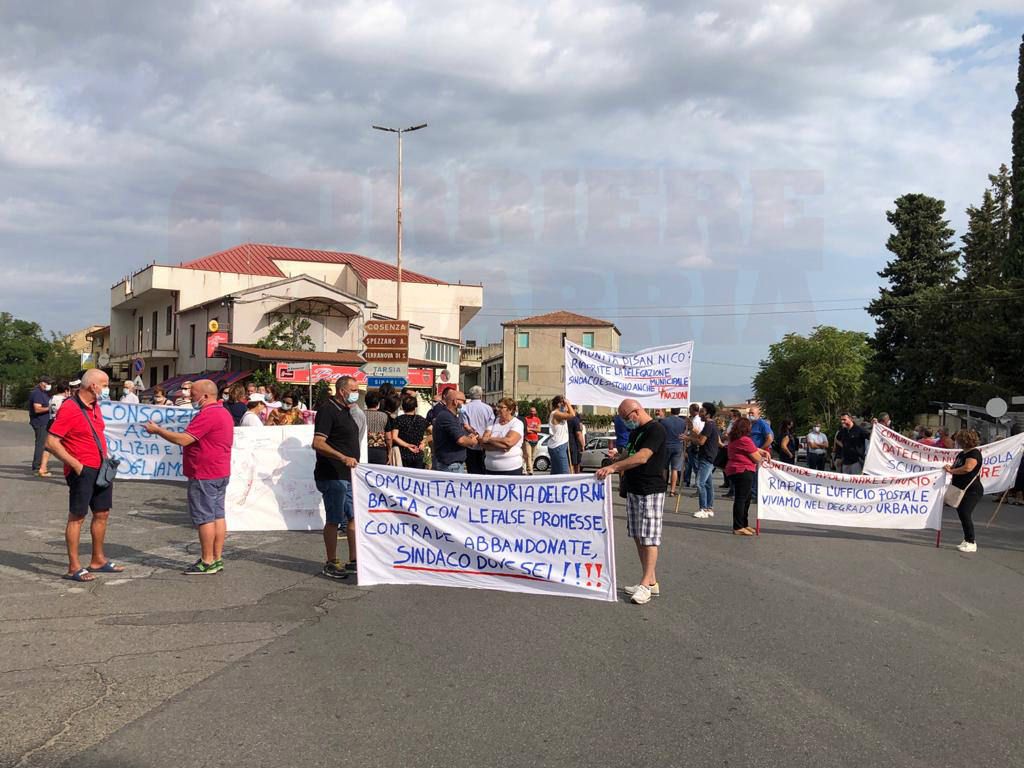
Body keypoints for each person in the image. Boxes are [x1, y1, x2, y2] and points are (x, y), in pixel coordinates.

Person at [144, 379, 233, 574]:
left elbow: (184, 439)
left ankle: (207, 560)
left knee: (205, 518)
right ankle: (217, 558)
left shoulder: (208, 414)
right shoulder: (223, 412)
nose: (190, 398)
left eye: (193, 395)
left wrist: (158, 430)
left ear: (206, 396)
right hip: (219, 471)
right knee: (218, 515)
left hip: (204, 473)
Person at [44, 369, 124, 581]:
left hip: (100, 468)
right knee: (77, 517)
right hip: (82, 470)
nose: (107, 388)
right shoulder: (70, 408)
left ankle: (98, 559)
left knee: (102, 513)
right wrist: (76, 465)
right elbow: (51, 442)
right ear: (93, 386)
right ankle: (74, 566)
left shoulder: (95, 406)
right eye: (105, 384)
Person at [595, 398, 668, 606]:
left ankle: (645, 584)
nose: (626, 422)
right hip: (634, 489)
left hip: (650, 490)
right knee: (637, 534)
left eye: (626, 418)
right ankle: (650, 581)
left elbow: (643, 457)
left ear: (636, 412)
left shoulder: (656, 430)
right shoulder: (636, 432)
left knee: (649, 537)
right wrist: (616, 458)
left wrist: (614, 468)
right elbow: (630, 454)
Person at [312, 376, 366, 578]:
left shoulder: (348, 412)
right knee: (334, 519)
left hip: (349, 474)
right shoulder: (328, 410)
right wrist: (343, 457)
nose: (356, 392)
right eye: (353, 389)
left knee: (353, 516)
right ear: (342, 391)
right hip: (332, 474)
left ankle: (354, 559)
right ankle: (331, 561)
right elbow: (318, 442)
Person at [724, 416, 771, 535]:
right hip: (743, 470)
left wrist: (761, 451)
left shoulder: (734, 438)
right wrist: (764, 457)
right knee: (741, 498)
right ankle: (738, 526)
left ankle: (743, 524)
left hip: (736, 470)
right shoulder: (745, 440)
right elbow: (757, 458)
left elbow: (754, 449)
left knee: (746, 497)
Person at [943, 429, 984, 553]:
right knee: (962, 513)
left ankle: (971, 541)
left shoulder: (974, 453)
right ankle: (967, 540)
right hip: (961, 488)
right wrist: (949, 468)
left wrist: (952, 471)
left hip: (972, 490)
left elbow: (967, 468)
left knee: (965, 512)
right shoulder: (962, 454)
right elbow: (957, 466)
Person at [432, 389, 479, 472]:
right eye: (463, 401)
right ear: (455, 401)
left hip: (452, 465)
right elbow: (461, 440)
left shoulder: (452, 416)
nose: (465, 404)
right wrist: (473, 441)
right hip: (451, 466)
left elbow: (456, 436)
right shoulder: (447, 417)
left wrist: (468, 437)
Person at [690, 403, 721, 519]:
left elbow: (701, 441)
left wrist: (689, 438)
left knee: (700, 483)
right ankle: (709, 508)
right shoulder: (711, 425)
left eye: (702, 411)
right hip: (709, 456)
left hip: (706, 457)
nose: (700, 414)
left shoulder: (709, 425)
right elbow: (701, 437)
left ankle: (703, 508)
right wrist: (692, 430)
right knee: (708, 484)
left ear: (708, 413)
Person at [479, 398, 524, 475]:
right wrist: (502, 446)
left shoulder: (517, 423)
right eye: (498, 406)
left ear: (510, 410)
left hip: (511, 469)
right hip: (490, 469)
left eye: (501, 407)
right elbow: (483, 443)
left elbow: (509, 442)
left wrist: (489, 440)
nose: (498, 409)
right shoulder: (492, 422)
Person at [460, 386, 494, 474]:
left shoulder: (464, 408)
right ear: (481, 396)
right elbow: (492, 426)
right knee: (485, 471)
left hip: (470, 443)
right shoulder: (488, 408)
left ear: (470, 396)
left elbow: (465, 425)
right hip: (485, 444)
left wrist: (476, 434)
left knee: (472, 471)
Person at [391, 395, 428, 469]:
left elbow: (394, 437)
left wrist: (407, 445)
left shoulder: (399, 419)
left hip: (402, 454)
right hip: (418, 453)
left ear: (403, 407)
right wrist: (424, 441)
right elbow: (433, 432)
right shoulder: (421, 420)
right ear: (415, 407)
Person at [659, 408, 688, 496]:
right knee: (675, 469)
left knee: (664, 468)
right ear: (679, 412)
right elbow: (684, 435)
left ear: (671, 411)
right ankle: (672, 490)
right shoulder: (683, 422)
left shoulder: (664, 421)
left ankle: (663, 488)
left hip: (666, 445)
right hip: (678, 446)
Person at [29, 375, 53, 476]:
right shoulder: (37, 393)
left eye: (50, 383)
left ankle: (41, 465)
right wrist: (51, 408)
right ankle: (37, 467)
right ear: (41, 383)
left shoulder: (45, 393)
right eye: (47, 383)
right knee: (41, 444)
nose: (49, 385)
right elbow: (37, 409)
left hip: (45, 421)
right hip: (40, 422)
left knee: (45, 444)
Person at [547, 395, 576, 475]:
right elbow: (572, 415)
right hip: (558, 446)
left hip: (557, 446)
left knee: (556, 473)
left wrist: (566, 406)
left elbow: (568, 413)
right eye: (563, 403)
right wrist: (568, 403)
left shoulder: (558, 413)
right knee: (564, 473)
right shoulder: (556, 414)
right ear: (559, 404)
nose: (564, 405)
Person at [364, 391, 392, 465]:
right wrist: (389, 452)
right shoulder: (384, 416)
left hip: (363, 449)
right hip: (380, 451)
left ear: (366, 402)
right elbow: (388, 438)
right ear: (378, 403)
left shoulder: (360, 414)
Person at [523, 406, 542, 475]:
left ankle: (530, 468)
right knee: (528, 455)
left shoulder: (537, 420)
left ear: (536, 412)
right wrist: (534, 429)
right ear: (529, 411)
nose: (532, 412)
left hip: (535, 440)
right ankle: (530, 470)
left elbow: (539, 430)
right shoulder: (526, 419)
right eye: (531, 411)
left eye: (533, 411)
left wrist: (530, 429)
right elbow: (526, 429)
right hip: (527, 439)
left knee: (533, 456)